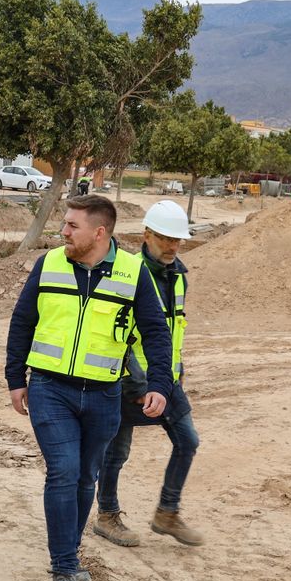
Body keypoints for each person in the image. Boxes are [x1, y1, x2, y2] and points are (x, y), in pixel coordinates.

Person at [5, 195, 175, 581]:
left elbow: (155, 331)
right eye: (64, 224)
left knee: (85, 477)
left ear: (99, 233)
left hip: (104, 396)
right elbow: (23, 319)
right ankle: (64, 568)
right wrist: (15, 376)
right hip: (50, 388)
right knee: (62, 471)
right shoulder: (49, 264)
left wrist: (160, 384)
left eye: (72, 226)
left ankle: (70, 559)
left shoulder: (133, 272)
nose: (63, 232)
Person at [94, 200, 204, 548]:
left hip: (164, 380)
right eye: (165, 238)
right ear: (146, 235)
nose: (172, 246)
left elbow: (173, 331)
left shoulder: (179, 277)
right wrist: (138, 383)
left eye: (177, 240)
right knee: (117, 451)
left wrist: (176, 373)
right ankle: (107, 515)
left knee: (187, 441)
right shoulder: (127, 273)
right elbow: (120, 335)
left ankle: (166, 513)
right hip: (129, 381)